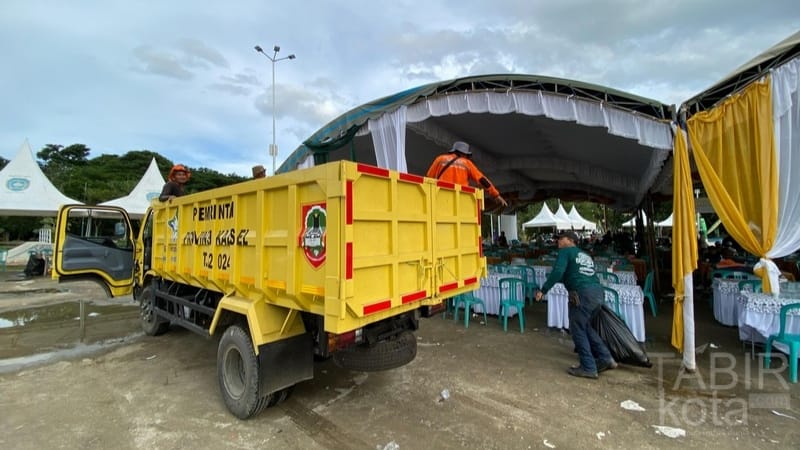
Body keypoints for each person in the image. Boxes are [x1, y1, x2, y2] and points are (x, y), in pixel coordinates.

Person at [535, 230, 616, 379]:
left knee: (577, 328)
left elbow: (558, 272)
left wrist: (544, 290)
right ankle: (606, 358)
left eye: (560, 238)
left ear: (569, 240)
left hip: (582, 294)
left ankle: (588, 367)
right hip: (597, 292)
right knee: (585, 327)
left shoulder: (566, 252)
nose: (558, 241)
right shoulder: (584, 255)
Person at [426, 141, 507, 208]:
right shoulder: (467, 163)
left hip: (441, 197)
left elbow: (428, 178)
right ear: (464, 154)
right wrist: (496, 195)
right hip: (461, 200)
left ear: (454, 150)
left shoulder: (440, 159)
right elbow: (482, 180)